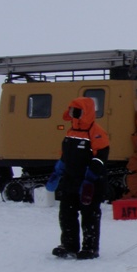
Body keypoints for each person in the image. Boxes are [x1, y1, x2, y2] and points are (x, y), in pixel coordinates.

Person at [45, 97, 109, 260]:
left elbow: (101, 157)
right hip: (70, 181)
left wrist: (90, 177)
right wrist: (58, 171)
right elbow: (66, 155)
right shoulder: (71, 131)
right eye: (72, 110)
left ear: (85, 112)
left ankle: (90, 248)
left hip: (89, 183)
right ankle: (69, 245)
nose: (72, 113)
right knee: (66, 214)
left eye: (76, 110)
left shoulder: (97, 132)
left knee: (90, 215)